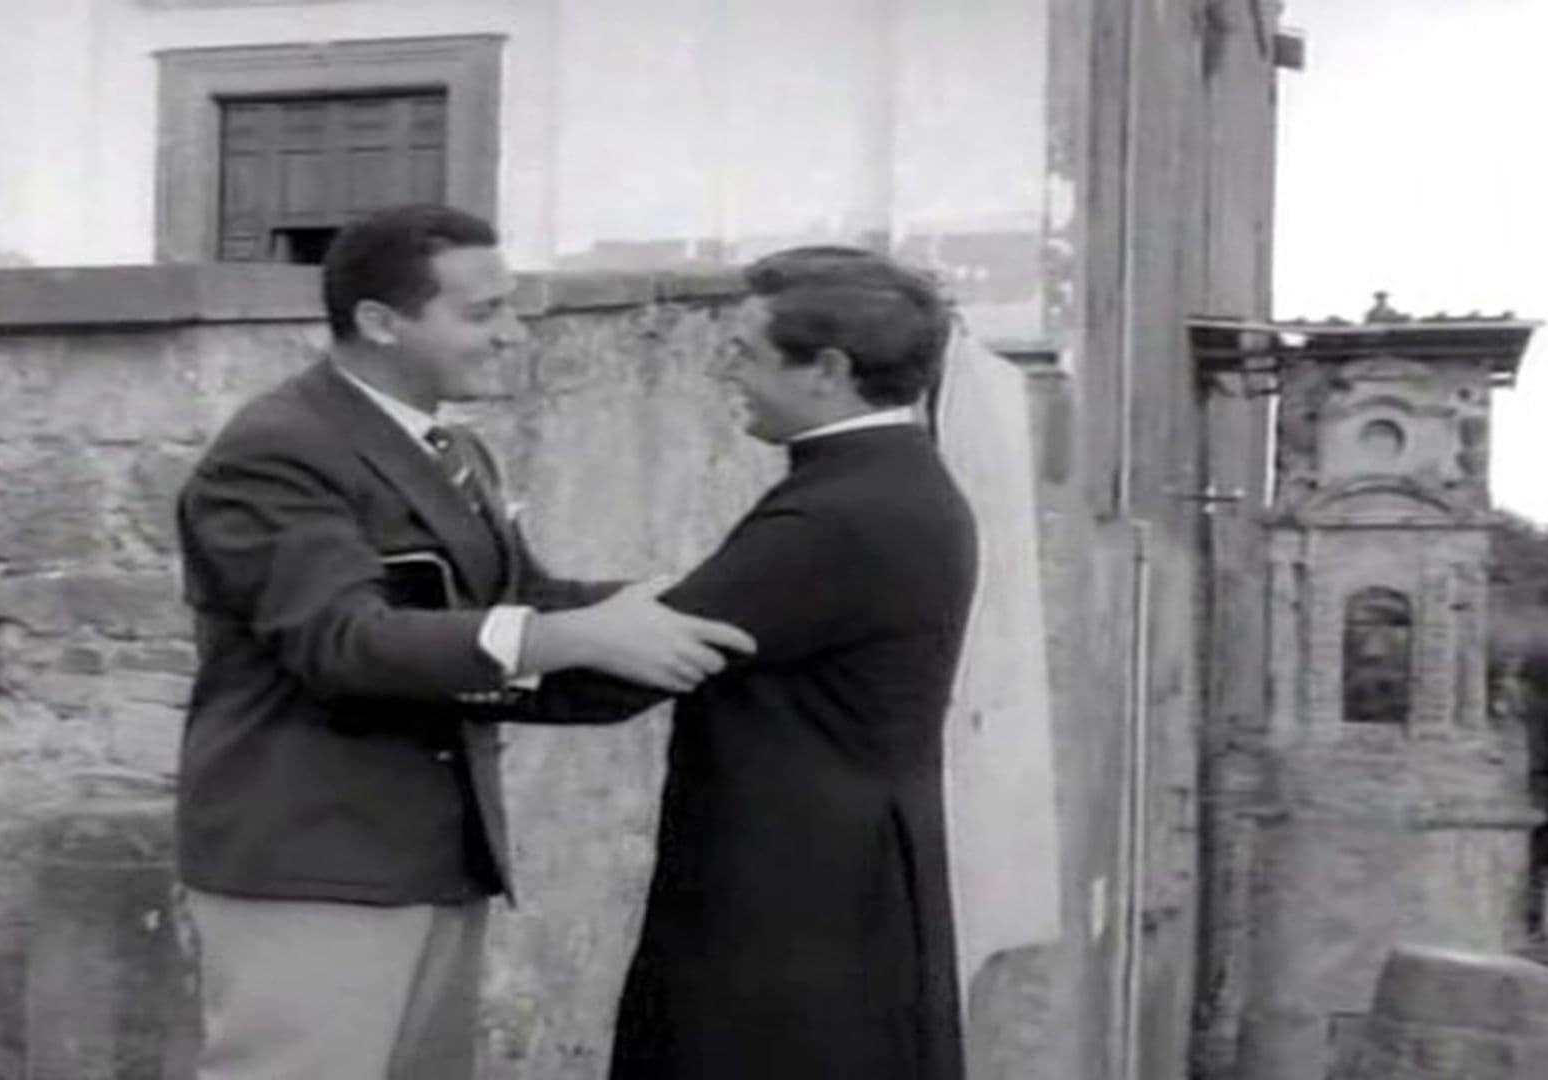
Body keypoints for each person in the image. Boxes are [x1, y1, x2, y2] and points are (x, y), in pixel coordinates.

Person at [172, 204, 755, 1080]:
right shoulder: (278, 451)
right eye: (482, 313)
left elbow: (517, 606)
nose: (512, 334)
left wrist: (678, 606)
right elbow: (341, 642)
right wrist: (573, 635)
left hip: (431, 854)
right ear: (381, 322)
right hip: (314, 858)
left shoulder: (455, 450)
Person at [533, 246, 979, 1079]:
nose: (725, 371)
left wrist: (442, 656)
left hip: (794, 911)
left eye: (745, 352)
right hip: (834, 886)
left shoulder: (841, 513)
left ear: (829, 371)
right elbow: (718, 605)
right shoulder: (888, 483)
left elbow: (624, 669)